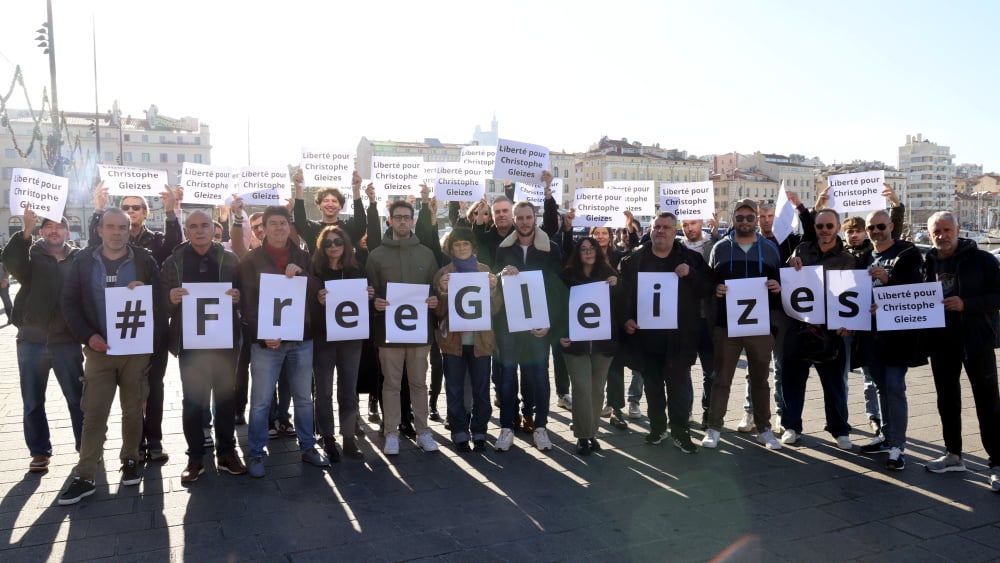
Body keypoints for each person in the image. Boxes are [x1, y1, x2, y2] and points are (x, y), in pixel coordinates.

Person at [58, 208, 160, 505]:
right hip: (99, 350)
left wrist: (148, 292)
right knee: (94, 412)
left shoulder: (143, 259)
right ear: (100, 229)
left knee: (132, 409)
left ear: (130, 230)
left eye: (123, 228)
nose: (117, 232)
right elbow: (70, 303)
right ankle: (86, 473)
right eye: (111, 227)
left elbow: (160, 297)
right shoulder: (83, 261)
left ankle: (130, 459)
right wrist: (88, 336)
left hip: (135, 349)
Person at [89, 182, 182, 463]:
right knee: (128, 388)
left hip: (151, 326)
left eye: (136, 207)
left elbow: (174, 247)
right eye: (126, 206)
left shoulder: (154, 241)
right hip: (116, 327)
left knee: (153, 384)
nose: (131, 211)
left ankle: (153, 438)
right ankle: (133, 440)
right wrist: (98, 209)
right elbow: (94, 248)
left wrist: (170, 211)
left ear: (144, 212)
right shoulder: (111, 238)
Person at [238, 206, 329, 478]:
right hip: (267, 343)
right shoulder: (251, 260)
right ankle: (255, 453)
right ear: (264, 227)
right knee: (261, 402)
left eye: (283, 223)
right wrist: (262, 334)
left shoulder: (303, 255)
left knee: (303, 399)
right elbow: (246, 303)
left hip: (301, 339)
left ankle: (308, 447)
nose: (279, 228)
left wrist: (302, 275)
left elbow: (317, 290)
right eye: (273, 223)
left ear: (290, 227)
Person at [162, 209, 247, 483]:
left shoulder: (230, 259)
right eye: (193, 226)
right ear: (187, 230)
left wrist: (238, 297)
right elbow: (157, 302)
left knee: (224, 400)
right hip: (190, 345)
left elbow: (247, 295)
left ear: (214, 229)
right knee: (193, 403)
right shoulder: (174, 261)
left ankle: (226, 453)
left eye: (204, 225)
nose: (199, 230)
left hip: (224, 343)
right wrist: (170, 299)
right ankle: (195, 457)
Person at [620, 212, 711, 453]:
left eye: (666, 227)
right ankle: (658, 428)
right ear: (650, 230)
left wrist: (690, 274)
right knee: (652, 387)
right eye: (656, 227)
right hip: (647, 337)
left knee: (679, 388)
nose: (660, 231)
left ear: (675, 231)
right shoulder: (635, 260)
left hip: (680, 338)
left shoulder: (690, 258)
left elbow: (709, 287)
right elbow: (623, 296)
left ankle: (681, 433)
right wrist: (626, 319)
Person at [922, 211, 1000, 492]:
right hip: (941, 344)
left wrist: (966, 304)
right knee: (947, 401)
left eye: (946, 230)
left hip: (977, 342)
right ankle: (953, 455)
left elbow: (998, 296)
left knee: (988, 403)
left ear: (957, 229)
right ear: (929, 235)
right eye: (936, 232)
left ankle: (997, 461)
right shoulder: (927, 262)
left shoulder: (983, 260)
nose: (942, 236)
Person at [3, 210, 83, 472]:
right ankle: (39, 451)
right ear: (41, 232)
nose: (54, 230)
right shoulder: (32, 256)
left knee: (77, 398)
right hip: (32, 341)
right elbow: (12, 262)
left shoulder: (77, 259)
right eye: (48, 226)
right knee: (33, 400)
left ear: (67, 233)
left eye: (59, 226)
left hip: (67, 342)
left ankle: (86, 446)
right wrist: (25, 230)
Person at [701, 200, 783, 451]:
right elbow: (709, 282)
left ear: (757, 220)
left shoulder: (770, 249)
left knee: (760, 379)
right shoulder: (719, 249)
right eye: (740, 218)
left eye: (750, 217)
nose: (745, 222)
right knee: (721, 378)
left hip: (760, 326)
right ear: (733, 219)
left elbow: (780, 283)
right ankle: (714, 427)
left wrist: (777, 288)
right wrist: (714, 289)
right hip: (727, 326)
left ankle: (764, 429)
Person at [366, 200, 441, 455]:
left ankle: (423, 431)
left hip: (420, 332)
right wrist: (374, 302)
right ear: (390, 220)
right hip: (389, 333)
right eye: (397, 217)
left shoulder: (426, 253)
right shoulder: (376, 255)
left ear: (412, 220)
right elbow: (370, 291)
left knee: (419, 383)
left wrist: (435, 299)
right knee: (391, 384)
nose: (402, 221)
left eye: (406, 217)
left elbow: (435, 288)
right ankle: (391, 433)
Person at [781, 208, 856, 449]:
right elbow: (788, 278)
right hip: (801, 325)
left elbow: (853, 295)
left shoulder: (847, 258)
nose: (824, 230)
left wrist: (849, 323)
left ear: (837, 228)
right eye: (820, 226)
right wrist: (790, 263)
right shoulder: (802, 249)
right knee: (792, 381)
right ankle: (791, 426)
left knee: (834, 384)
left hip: (831, 330)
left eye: (829, 226)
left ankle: (839, 429)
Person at [855, 209, 925, 471]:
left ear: (891, 226)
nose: (875, 232)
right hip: (870, 334)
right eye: (871, 228)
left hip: (897, 336)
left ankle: (898, 446)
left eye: (880, 227)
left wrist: (889, 280)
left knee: (895, 387)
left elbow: (918, 290)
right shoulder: (865, 256)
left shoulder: (907, 253)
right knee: (880, 386)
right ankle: (886, 436)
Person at [494, 200, 564, 452]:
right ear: (514, 220)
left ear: (535, 218)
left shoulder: (550, 248)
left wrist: (550, 324)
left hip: (538, 325)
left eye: (528, 217)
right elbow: (494, 282)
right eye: (519, 218)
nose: (524, 222)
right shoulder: (503, 248)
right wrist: (502, 274)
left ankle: (541, 427)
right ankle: (506, 428)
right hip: (510, 325)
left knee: (539, 378)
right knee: (507, 377)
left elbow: (558, 290)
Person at [433, 228, 500, 452]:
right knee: (454, 389)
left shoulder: (484, 271)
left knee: (482, 389)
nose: (461, 248)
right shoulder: (444, 273)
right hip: (453, 342)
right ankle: (459, 431)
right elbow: (439, 312)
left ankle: (480, 430)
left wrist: (492, 290)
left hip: (481, 342)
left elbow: (495, 309)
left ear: (473, 247)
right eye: (457, 245)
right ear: (451, 248)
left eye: (465, 244)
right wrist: (442, 291)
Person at [312, 225, 372, 461]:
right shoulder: (315, 270)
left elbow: (364, 304)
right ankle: (327, 437)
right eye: (328, 243)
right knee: (324, 390)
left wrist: (369, 296)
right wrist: (316, 299)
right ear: (321, 246)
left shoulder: (356, 269)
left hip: (350, 338)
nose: (333, 246)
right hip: (323, 337)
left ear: (346, 244)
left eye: (338, 242)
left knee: (348, 390)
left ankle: (348, 438)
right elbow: (306, 304)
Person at [559, 237, 621, 455]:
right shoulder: (567, 277)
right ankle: (583, 436)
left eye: (591, 248)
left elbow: (622, 306)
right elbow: (557, 308)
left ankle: (592, 432)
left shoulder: (610, 275)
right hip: (575, 343)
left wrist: (616, 286)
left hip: (603, 343)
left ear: (598, 251)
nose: (588, 252)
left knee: (597, 391)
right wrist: (560, 334)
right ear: (578, 253)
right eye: (583, 249)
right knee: (582, 389)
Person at [680, 215, 722, 429]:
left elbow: (715, 277)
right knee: (683, 369)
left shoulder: (713, 246)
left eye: (693, 223)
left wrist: (715, 235)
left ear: (701, 223)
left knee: (710, 372)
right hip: (684, 321)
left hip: (707, 318)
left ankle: (708, 411)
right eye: (685, 224)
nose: (689, 228)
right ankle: (686, 411)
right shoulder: (677, 248)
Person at [292, 169, 371, 253]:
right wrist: (298, 189)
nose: (330, 204)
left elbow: (361, 224)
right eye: (326, 201)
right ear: (319, 205)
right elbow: (299, 221)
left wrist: (356, 191)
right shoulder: (312, 228)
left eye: (334, 201)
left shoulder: (348, 227)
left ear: (341, 206)